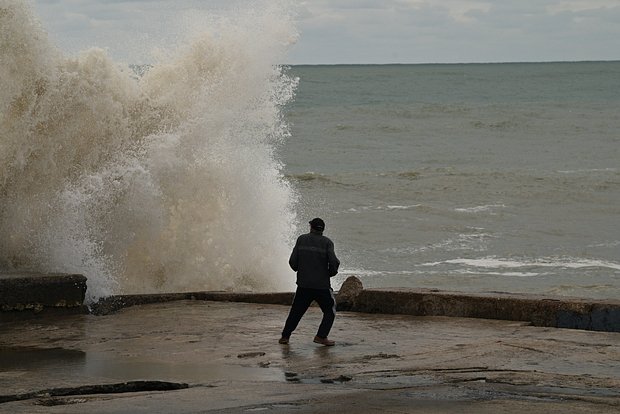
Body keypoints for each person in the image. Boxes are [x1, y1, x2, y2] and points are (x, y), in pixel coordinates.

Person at [279, 218, 340, 346]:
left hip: (303, 285)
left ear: (311, 227)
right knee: (330, 310)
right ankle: (321, 336)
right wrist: (329, 274)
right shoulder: (327, 243)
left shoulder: (301, 239)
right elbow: (334, 263)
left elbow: (293, 262)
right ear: (322, 229)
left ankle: (285, 336)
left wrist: (299, 270)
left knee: (296, 311)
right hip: (322, 286)